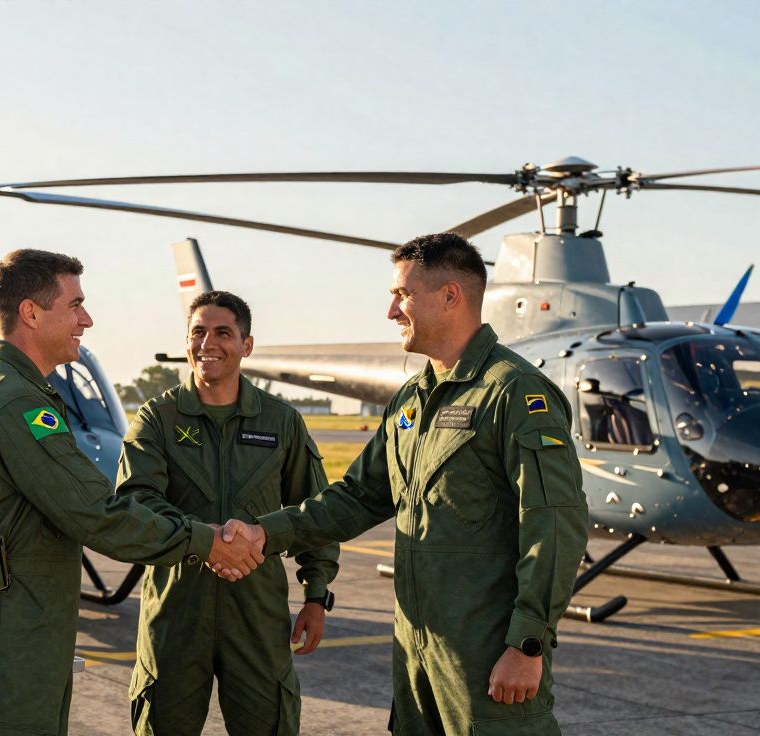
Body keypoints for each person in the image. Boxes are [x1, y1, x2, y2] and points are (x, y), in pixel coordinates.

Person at [222, 233, 588, 735]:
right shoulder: (413, 398)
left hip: (487, 651)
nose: (392, 311)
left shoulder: (514, 393)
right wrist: (266, 534)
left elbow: (553, 527)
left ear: (450, 296)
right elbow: (358, 497)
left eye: (403, 295)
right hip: (418, 653)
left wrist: (527, 643)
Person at [0, 249, 264, 736]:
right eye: (75, 305)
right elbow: (96, 512)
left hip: (22, 622)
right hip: (7, 632)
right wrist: (206, 540)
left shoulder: (22, 392)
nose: (86, 319)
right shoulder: (14, 402)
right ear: (31, 312)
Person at [116, 291, 340, 736]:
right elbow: (137, 500)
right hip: (176, 610)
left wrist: (317, 594)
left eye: (223, 333)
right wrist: (207, 540)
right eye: (198, 332)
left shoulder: (280, 422)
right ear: (186, 343)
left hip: (256, 612)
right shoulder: (156, 418)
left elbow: (314, 511)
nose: (208, 344)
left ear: (246, 345)